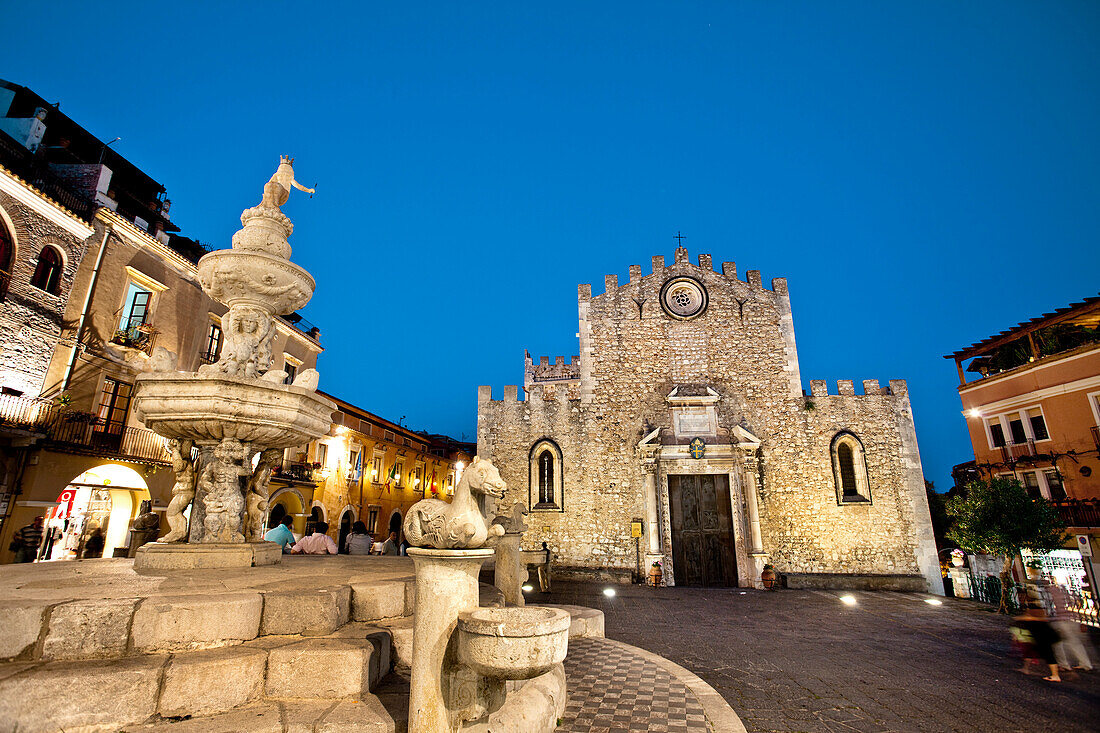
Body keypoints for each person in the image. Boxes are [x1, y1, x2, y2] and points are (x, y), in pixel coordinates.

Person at [1011, 603, 1062, 682]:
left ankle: (1055, 675)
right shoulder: (1038, 618)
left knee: (1049, 656)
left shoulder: (1032, 618)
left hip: (1044, 639)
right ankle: (1025, 668)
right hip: (1043, 638)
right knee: (1031, 652)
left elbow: (1023, 619)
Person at [1049, 582, 1094, 671]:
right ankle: (1085, 664)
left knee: (1058, 644)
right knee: (1074, 643)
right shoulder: (1066, 596)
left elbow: (1055, 610)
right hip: (1069, 620)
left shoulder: (1053, 597)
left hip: (1061, 621)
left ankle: (1064, 664)